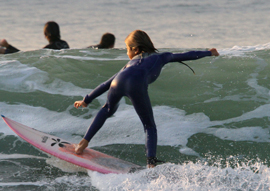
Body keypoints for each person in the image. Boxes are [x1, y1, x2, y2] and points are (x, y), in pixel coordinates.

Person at [72, 29, 219, 167]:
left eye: (127, 49)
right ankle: (151, 162)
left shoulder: (129, 64)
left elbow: (106, 84)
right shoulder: (162, 57)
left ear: (136, 49)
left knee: (107, 109)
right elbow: (188, 55)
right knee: (149, 125)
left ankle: (82, 144)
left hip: (119, 80)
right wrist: (209, 53)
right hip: (136, 84)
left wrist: (86, 100)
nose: (127, 53)